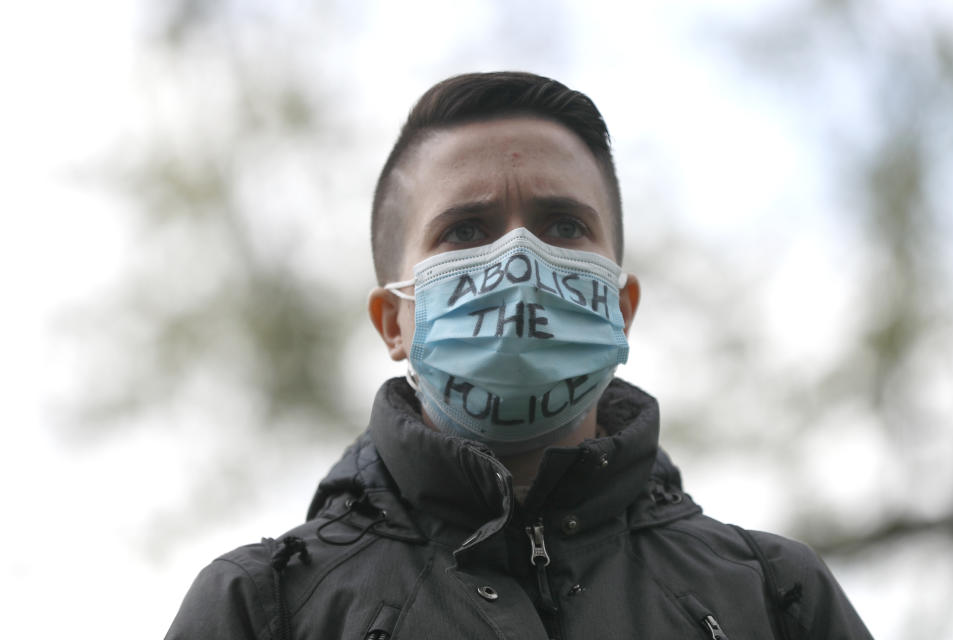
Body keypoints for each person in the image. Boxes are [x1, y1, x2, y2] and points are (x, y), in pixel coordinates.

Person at [166, 72, 873, 640]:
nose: (519, 261)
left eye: (563, 224)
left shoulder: (776, 596)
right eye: (464, 229)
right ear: (394, 321)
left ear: (620, 307)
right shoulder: (263, 610)